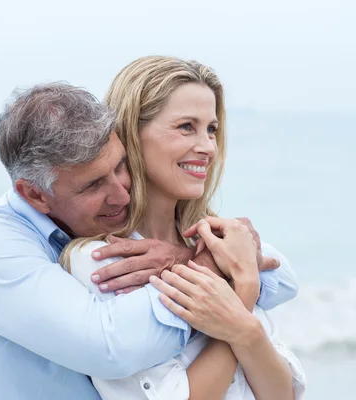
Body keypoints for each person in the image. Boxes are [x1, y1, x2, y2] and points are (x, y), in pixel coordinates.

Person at [0, 81, 298, 399]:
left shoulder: (110, 231)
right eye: (94, 185)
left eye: (120, 167)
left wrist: (186, 255)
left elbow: (281, 278)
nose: (122, 196)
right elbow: (112, 347)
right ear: (34, 195)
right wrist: (215, 269)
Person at [62, 56, 306, 400]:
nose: (208, 147)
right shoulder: (107, 262)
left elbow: (284, 395)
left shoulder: (218, 243)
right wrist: (242, 295)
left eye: (212, 129)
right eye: (186, 127)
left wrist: (198, 263)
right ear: (132, 133)